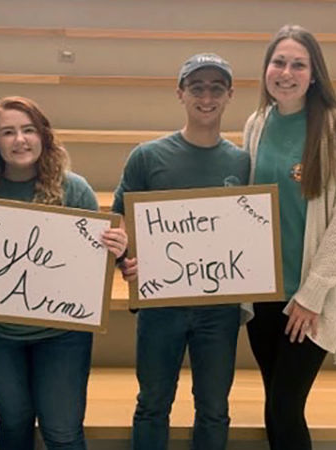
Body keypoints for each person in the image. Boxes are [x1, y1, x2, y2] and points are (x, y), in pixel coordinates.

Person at [242, 25, 336, 450]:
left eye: (298, 64)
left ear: (314, 74)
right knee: (273, 398)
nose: (286, 72)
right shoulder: (256, 124)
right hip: (264, 292)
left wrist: (312, 294)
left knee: (286, 404)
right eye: (278, 62)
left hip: (311, 298)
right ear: (266, 69)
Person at [0, 96, 128, 450]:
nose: (20, 140)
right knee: (13, 423)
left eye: (28, 130)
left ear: (44, 136)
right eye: (8, 132)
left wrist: (115, 249)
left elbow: (93, 262)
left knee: (62, 431)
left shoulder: (74, 189)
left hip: (62, 334)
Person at [112, 53, 250, 450]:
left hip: (219, 308)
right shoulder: (148, 156)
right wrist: (125, 260)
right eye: (197, 87)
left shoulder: (241, 162)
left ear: (229, 96)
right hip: (160, 305)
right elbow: (120, 219)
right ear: (180, 93)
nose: (206, 97)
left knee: (214, 407)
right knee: (153, 404)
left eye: (216, 88)